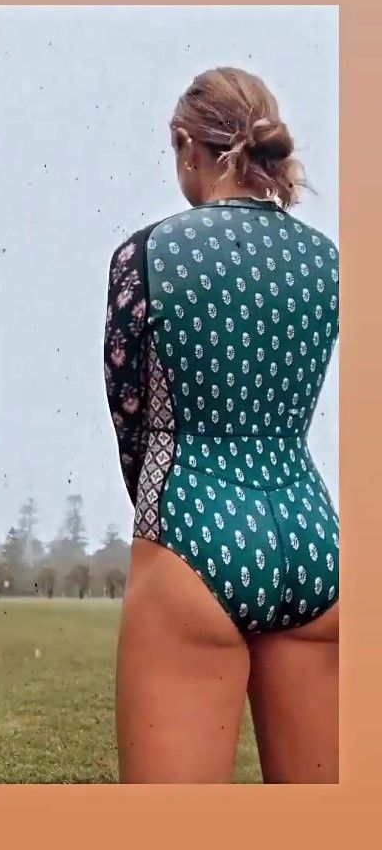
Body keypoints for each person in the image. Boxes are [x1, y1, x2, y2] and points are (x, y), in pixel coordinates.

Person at [103, 67, 339, 784]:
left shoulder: (146, 252)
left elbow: (131, 413)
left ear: (186, 144)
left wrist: (159, 530)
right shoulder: (327, 260)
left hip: (193, 523)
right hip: (312, 529)